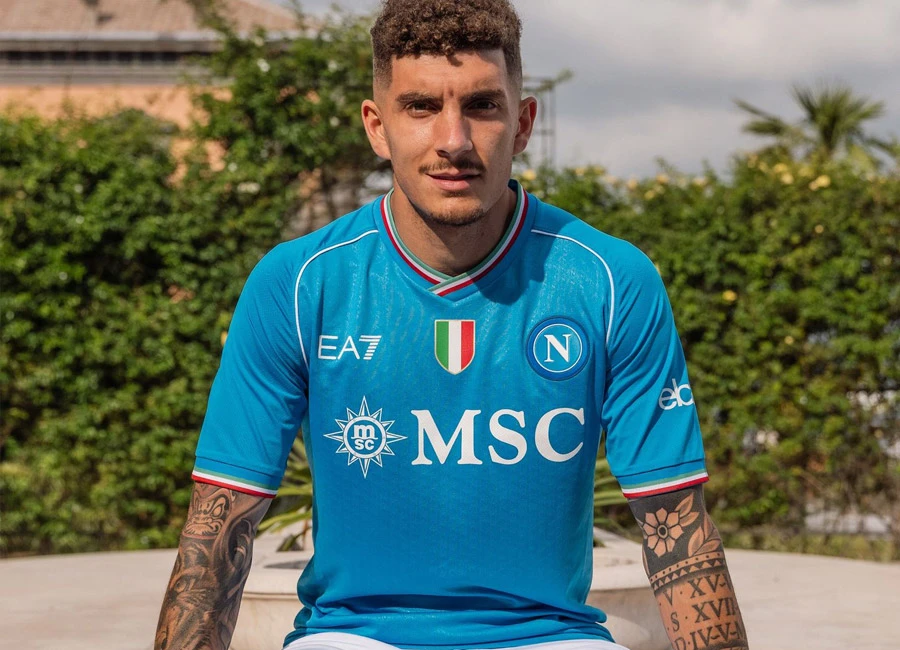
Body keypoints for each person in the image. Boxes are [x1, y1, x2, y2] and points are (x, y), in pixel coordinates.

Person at [154, 1, 749, 649]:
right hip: (351, 636)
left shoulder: (610, 280)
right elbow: (218, 529)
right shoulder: (298, 282)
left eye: (483, 106)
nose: (454, 140)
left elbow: (676, 528)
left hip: (550, 638)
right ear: (377, 127)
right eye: (420, 107)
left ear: (522, 124)